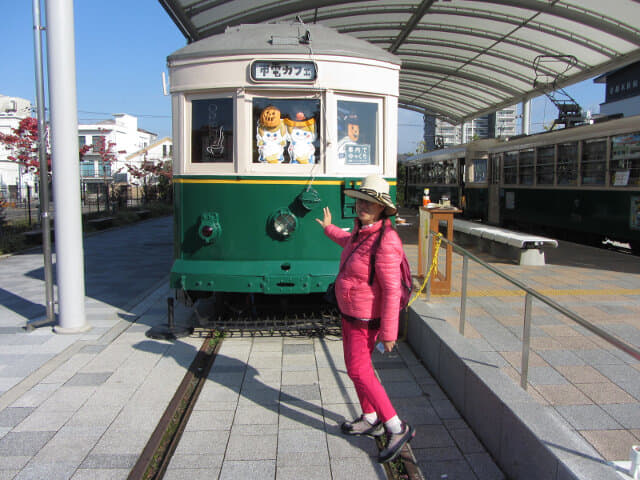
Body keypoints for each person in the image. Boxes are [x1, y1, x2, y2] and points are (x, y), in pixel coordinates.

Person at [315, 174, 414, 464]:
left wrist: (389, 332)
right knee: (354, 366)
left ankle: (396, 426)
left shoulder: (387, 240)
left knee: (359, 370)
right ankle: (370, 417)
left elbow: (393, 290)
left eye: (370, 203)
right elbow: (348, 241)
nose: (362, 207)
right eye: (360, 201)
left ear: (382, 207)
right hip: (349, 312)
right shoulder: (362, 232)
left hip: (366, 318)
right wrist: (329, 229)